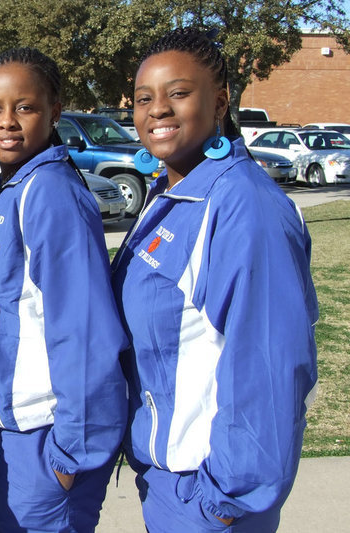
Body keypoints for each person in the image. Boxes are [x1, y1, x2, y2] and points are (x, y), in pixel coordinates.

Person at [111, 27, 319, 532]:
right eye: (144, 98)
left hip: (210, 498)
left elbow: (269, 365)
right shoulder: (173, 193)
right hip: (169, 483)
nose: (157, 109)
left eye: (178, 93)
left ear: (221, 101)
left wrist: (226, 500)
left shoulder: (243, 206)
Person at [0, 47, 128, 532]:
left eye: (24, 107)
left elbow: (85, 329)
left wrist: (72, 451)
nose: (6, 122)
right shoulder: (7, 186)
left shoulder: (50, 193)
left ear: (54, 112)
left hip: (44, 433)